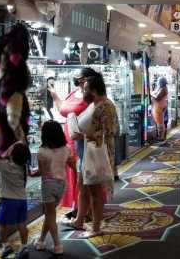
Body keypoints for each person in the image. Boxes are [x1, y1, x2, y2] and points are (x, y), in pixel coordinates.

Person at [70, 74, 119, 238]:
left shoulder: (106, 106)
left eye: (85, 89)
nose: (83, 92)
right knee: (84, 187)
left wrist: (85, 135)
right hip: (88, 153)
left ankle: (96, 227)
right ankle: (79, 220)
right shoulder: (96, 104)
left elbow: (110, 132)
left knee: (95, 192)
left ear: (94, 90)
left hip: (97, 156)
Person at [49, 68, 97, 220]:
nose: (77, 81)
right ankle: (78, 207)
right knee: (73, 174)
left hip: (82, 138)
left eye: (80, 78)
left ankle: (87, 210)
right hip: (68, 137)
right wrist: (55, 95)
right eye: (76, 78)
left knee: (82, 174)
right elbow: (63, 109)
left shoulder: (91, 96)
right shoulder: (73, 92)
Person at [32, 121, 73, 255]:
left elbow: (41, 172)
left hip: (48, 185)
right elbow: (71, 164)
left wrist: (32, 173)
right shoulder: (66, 149)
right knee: (50, 215)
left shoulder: (42, 151)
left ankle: (57, 245)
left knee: (50, 215)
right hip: (62, 185)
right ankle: (41, 241)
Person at [0, 142, 31, 259]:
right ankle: (24, 247)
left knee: (2, 224)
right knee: (22, 224)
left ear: (12, 155)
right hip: (22, 200)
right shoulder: (24, 166)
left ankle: (6, 245)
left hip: (8, 201)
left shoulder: (5, 166)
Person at [151, 77, 168, 141]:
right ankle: (160, 136)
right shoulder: (162, 88)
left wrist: (151, 94)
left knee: (160, 123)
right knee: (160, 122)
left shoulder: (163, 89)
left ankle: (161, 137)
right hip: (158, 106)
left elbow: (157, 97)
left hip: (159, 107)